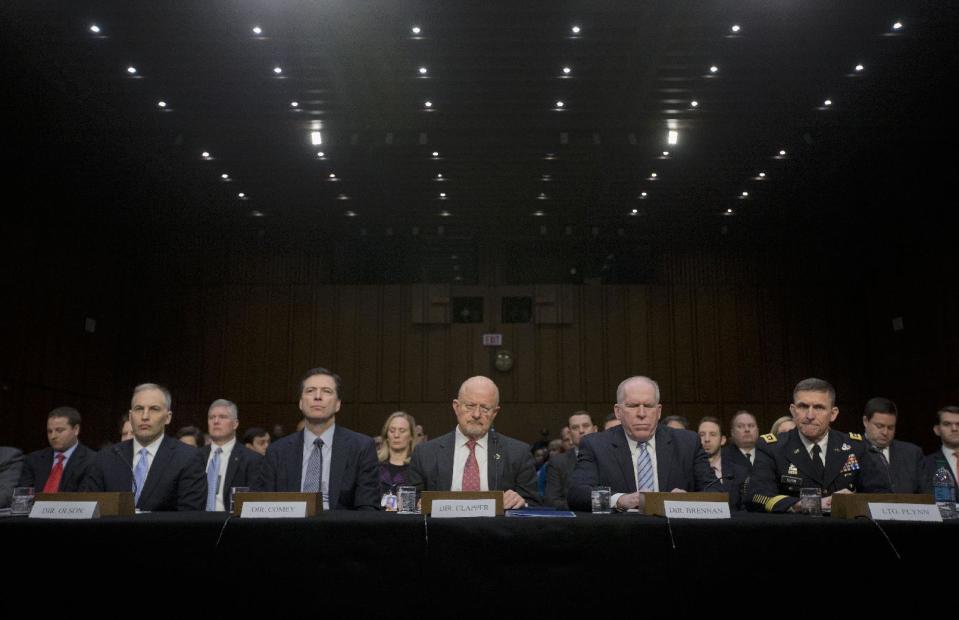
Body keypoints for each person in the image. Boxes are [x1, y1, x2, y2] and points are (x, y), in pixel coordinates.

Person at [568, 376, 720, 512]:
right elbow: (577, 495)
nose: (641, 413)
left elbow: (716, 493)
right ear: (618, 412)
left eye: (648, 406)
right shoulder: (596, 445)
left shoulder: (687, 443)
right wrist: (620, 501)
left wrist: (688, 502)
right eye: (633, 406)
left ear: (658, 411)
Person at [744, 378, 890, 513]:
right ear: (793, 411)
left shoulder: (855, 447)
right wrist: (811, 503)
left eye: (819, 407)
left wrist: (853, 501)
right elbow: (757, 497)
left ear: (833, 414)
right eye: (803, 406)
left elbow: (883, 496)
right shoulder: (772, 447)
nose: (810, 415)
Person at [254, 367, 379, 510]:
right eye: (310, 391)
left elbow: (367, 508)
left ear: (338, 404)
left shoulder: (361, 447)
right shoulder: (277, 451)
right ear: (301, 403)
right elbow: (261, 505)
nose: (317, 396)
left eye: (326, 391)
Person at [408, 376, 539, 509]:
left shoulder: (518, 453)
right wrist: (419, 504)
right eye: (470, 406)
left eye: (485, 408)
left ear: (495, 413)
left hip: (496, 528)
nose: (476, 414)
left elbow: (534, 504)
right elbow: (410, 500)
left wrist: (521, 502)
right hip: (442, 528)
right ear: (456, 407)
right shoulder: (425, 453)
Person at [81, 383, 206, 511]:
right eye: (139, 409)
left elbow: (189, 514)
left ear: (168, 418)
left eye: (154, 409)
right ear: (130, 416)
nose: (145, 416)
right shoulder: (106, 457)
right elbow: (89, 509)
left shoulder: (188, 458)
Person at [200, 399, 263, 511]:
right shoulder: (195, 457)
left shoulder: (252, 459)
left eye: (222, 417)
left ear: (235, 424)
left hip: (232, 523)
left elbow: (255, 502)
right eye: (211, 417)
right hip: (197, 522)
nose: (216, 421)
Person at [19, 406, 96, 493]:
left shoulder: (92, 461)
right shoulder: (33, 459)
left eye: (59, 430)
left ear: (76, 430)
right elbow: (23, 496)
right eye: (49, 431)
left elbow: (84, 499)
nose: (53, 436)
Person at [861, 397, 926, 493]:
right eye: (879, 426)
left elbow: (926, 494)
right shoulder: (853, 449)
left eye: (890, 427)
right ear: (865, 421)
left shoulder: (912, 453)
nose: (885, 432)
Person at [545, 411, 596, 509]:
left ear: (595, 429)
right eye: (575, 428)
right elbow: (551, 501)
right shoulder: (558, 462)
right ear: (569, 434)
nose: (581, 431)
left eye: (586, 426)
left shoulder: (609, 457)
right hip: (572, 520)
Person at [698, 417, 748, 510]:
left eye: (713, 434)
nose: (707, 439)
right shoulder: (687, 471)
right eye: (702, 435)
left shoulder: (740, 473)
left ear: (722, 440)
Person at [377, 411, 417, 496]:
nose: (396, 435)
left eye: (402, 431)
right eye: (392, 430)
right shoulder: (374, 465)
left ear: (411, 436)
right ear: (386, 435)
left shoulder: (417, 468)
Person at [923, 405, 959, 494]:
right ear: (937, 430)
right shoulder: (925, 465)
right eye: (947, 424)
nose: (954, 429)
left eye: (958, 424)